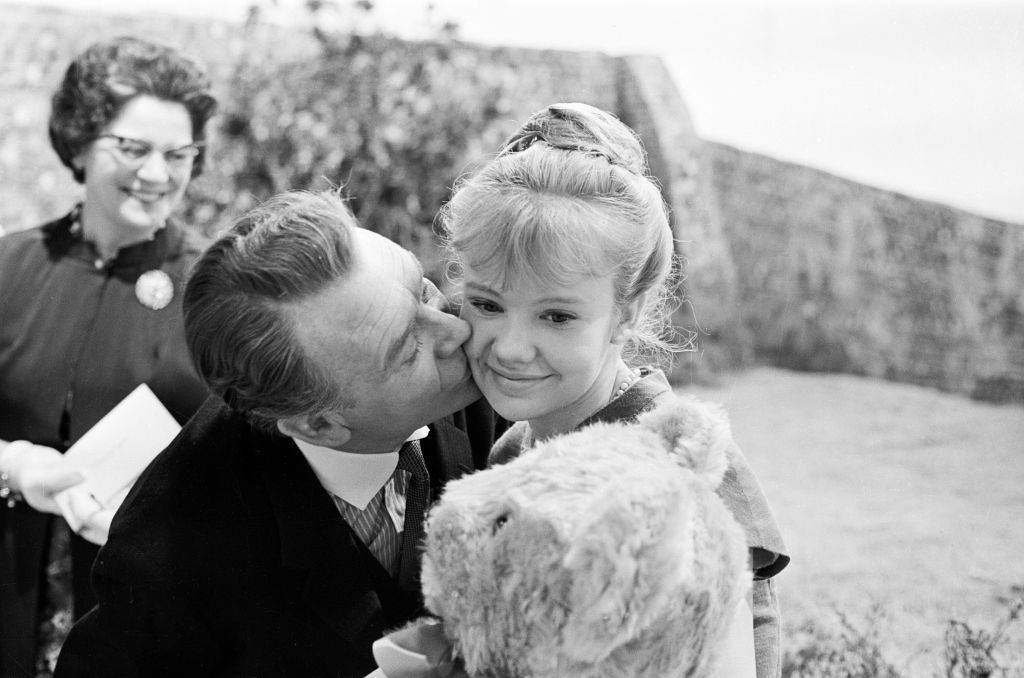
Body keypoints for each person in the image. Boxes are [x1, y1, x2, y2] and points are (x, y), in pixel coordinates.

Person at [53, 190, 504, 678]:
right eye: (407, 348)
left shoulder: (499, 382)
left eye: (422, 289)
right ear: (319, 425)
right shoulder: (169, 554)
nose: (456, 330)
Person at [437, 103, 791, 677]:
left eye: (556, 317)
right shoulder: (514, 447)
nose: (509, 347)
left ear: (628, 313)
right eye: (487, 304)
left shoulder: (675, 474)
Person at [0, 37, 217, 677]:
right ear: (78, 140)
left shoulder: (219, 288)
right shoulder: (10, 267)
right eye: (132, 148)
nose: (157, 173)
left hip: (150, 615)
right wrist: (11, 466)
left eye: (178, 154)